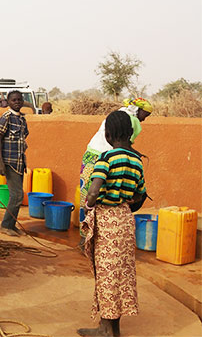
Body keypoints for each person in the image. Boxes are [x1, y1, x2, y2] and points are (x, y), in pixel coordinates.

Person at [78, 111, 146, 337]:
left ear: (108, 134)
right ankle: (111, 328)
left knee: (106, 273)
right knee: (120, 273)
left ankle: (106, 331)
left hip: (107, 220)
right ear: (129, 133)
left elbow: (94, 190)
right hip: (125, 220)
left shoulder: (106, 158)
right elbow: (140, 194)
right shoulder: (137, 160)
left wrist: (89, 203)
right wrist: (124, 203)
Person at [78, 98, 152, 246]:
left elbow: (93, 194)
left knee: (88, 197)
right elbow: (125, 144)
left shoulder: (117, 115)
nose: (145, 119)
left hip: (90, 156)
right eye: (146, 114)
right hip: (121, 225)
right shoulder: (132, 123)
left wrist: (89, 207)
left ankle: (85, 238)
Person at [0, 90, 29, 237]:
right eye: (14, 100)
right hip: (9, 161)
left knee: (17, 195)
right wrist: (0, 162)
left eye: (19, 100)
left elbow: (23, 138)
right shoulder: (6, 117)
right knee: (17, 195)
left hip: (19, 162)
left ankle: (11, 225)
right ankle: (5, 225)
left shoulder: (22, 119)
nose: (17, 102)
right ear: (8, 102)